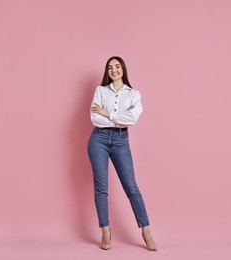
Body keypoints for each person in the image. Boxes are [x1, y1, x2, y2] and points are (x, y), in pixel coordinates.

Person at [87, 56, 157, 251]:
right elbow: (94, 119)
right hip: (98, 139)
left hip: (121, 141)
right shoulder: (100, 91)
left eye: (117, 67)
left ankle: (146, 231)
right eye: (110, 68)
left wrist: (107, 114)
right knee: (101, 188)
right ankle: (106, 230)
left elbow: (132, 119)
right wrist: (115, 117)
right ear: (107, 71)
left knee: (131, 187)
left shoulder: (133, 94)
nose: (114, 70)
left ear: (123, 69)